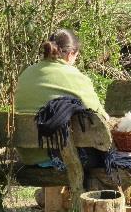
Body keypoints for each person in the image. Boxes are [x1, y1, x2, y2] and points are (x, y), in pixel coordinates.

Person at [14, 28, 108, 166]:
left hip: (29, 156)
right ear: (70, 54)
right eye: (76, 56)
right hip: (64, 158)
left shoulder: (26, 73)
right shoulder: (75, 77)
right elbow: (101, 119)